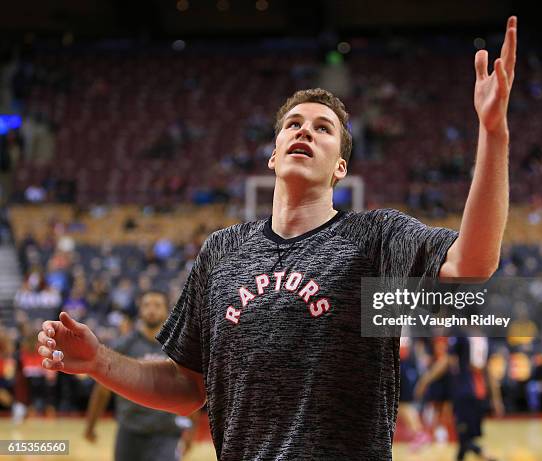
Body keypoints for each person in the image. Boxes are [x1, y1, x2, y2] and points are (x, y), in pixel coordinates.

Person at [37, 17, 517, 460]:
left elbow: (472, 264)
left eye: (323, 128)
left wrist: (493, 134)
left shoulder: (376, 238)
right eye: (294, 125)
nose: (305, 131)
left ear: (340, 168)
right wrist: (99, 361)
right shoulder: (222, 251)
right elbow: (187, 387)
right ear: (273, 155)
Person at [83, 290, 198, 461]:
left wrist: (191, 432)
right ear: (140, 309)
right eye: (146, 305)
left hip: (166, 434)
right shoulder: (123, 345)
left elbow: (191, 392)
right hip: (129, 432)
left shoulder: (179, 347)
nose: (151, 309)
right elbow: (102, 391)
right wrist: (90, 426)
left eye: (157, 305)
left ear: (168, 310)